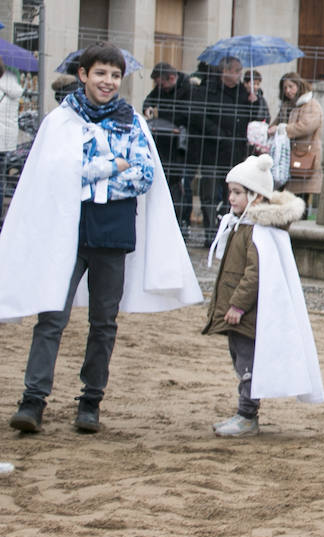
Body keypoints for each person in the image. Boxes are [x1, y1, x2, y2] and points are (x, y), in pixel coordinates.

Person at [2, 43, 201, 433]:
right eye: (101, 74)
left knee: (103, 321)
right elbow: (54, 175)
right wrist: (109, 166)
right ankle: (33, 399)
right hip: (66, 231)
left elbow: (143, 175)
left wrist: (89, 175)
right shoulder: (59, 123)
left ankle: (90, 400)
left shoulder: (133, 124)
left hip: (112, 232)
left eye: (114, 75)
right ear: (83, 75)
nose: (108, 82)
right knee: (51, 316)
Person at [203, 153, 323, 436]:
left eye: (237, 192)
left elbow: (254, 275)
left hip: (248, 316)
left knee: (247, 365)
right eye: (230, 191)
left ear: (256, 197)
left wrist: (238, 306)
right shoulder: (243, 225)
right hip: (244, 316)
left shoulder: (258, 232)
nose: (230, 198)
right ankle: (245, 413)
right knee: (241, 361)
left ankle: (247, 415)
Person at [187, 56, 253, 233]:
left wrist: (255, 102)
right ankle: (210, 231)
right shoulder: (208, 89)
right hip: (212, 151)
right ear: (225, 71)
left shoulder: (243, 92)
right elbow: (198, 117)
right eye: (236, 71)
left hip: (235, 152)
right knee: (209, 192)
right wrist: (219, 134)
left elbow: (254, 118)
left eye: (240, 70)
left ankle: (227, 229)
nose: (240, 75)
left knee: (230, 193)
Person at [143, 63, 191, 227]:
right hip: (163, 139)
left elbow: (190, 115)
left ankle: (181, 220)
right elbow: (149, 99)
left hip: (181, 143)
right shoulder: (162, 89)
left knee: (180, 182)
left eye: (161, 83)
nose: (159, 87)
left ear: (171, 78)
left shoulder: (188, 89)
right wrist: (148, 107)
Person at [270, 73, 323, 202]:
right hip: (286, 158)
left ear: (299, 86)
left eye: (291, 86)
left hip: (304, 156)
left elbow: (307, 126)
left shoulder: (310, 104)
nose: (288, 91)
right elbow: (276, 123)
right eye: (285, 88)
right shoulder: (286, 106)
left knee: (300, 198)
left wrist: (283, 129)